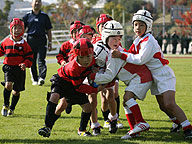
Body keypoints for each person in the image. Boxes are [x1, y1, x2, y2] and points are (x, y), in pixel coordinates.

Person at [112, 9, 192, 139]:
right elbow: (130, 54)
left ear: (148, 26)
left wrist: (121, 54)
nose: (137, 27)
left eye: (141, 25)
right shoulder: (138, 39)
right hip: (154, 76)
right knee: (163, 106)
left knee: (169, 103)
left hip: (163, 74)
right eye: (135, 24)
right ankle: (178, 124)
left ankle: (188, 128)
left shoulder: (149, 40)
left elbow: (139, 59)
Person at [89, 20, 153, 139]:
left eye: (119, 39)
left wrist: (92, 76)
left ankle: (141, 122)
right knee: (125, 102)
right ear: (105, 37)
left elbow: (109, 76)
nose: (117, 42)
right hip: (140, 77)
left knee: (127, 98)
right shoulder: (109, 50)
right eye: (114, 38)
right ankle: (135, 130)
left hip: (140, 78)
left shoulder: (114, 54)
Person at [38, 38, 105, 137]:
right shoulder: (73, 68)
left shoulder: (94, 60)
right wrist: (95, 89)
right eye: (82, 57)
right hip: (62, 81)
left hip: (74, 84)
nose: (86, 60)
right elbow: (78, 87)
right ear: (77, 56)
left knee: (88, 108)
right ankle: (47, 127)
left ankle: (82, 130)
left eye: (88, 56)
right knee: (54, 97)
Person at [92, 14, 123, 130]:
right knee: (100, 98)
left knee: (113, 94)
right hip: (99, 72)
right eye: (103, 26)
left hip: (110, 71)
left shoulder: (115, 41)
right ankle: (104, 120)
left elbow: (121, 53)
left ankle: (114, 117)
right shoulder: (96, 41)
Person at [0, 18, 33, 116]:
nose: (16, 30)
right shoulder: (6, 42)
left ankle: (12, 108)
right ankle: (5, 105)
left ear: (22, 30)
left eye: (19, 28)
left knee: (16, 92)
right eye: (14, 28)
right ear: (11, 29)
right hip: (9, 67)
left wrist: (25, 64)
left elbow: (30, 57)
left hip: (20, 69)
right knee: (8, 85)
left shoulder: (25, 44)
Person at [23, 0, 52, 86]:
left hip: (42, 39)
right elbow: (22, 29)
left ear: (41, 4)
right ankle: (35, 79)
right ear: (31, 3)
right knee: (31, 60)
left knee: (41, 60)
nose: (37, 3)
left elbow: (49, 30)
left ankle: (41, 78)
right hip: (30, 40)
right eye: (35, 1)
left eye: (39, 1)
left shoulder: (44, 16)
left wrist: (50, 42)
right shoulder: (27, 16)